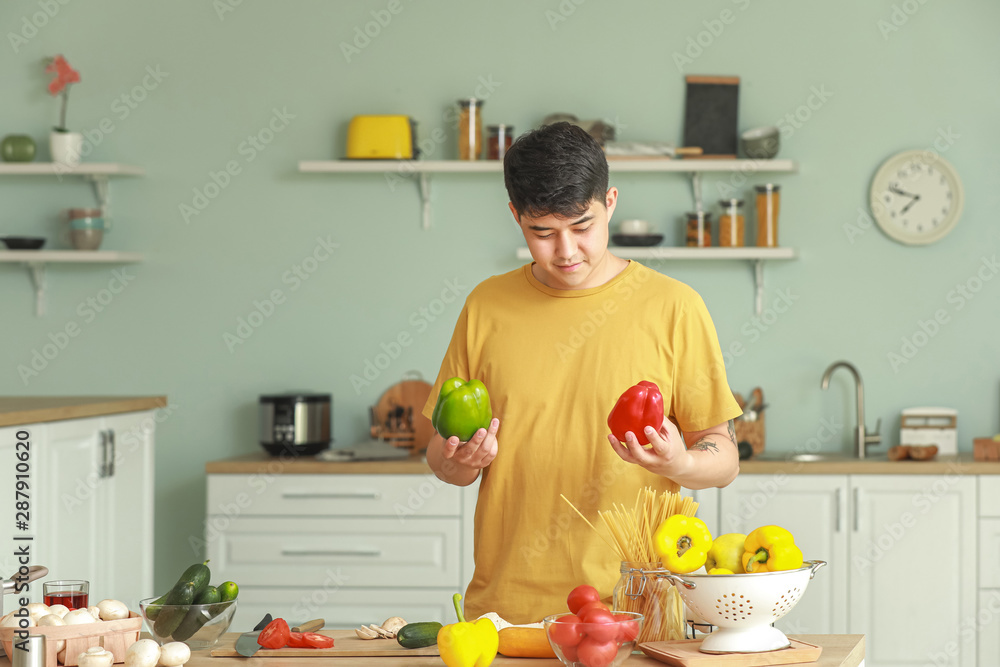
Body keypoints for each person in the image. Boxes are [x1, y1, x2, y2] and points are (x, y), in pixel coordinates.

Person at [421, 122, 742, 624]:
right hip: (506, 615)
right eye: (542, 233)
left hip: (637, 611)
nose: (566, 251)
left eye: (583, 226)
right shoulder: (487, 306)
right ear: (515, 217)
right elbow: (443, 462)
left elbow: (723, 456)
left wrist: (679, 463)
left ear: (610, 201)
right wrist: (462, 460)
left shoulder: (675, 307)